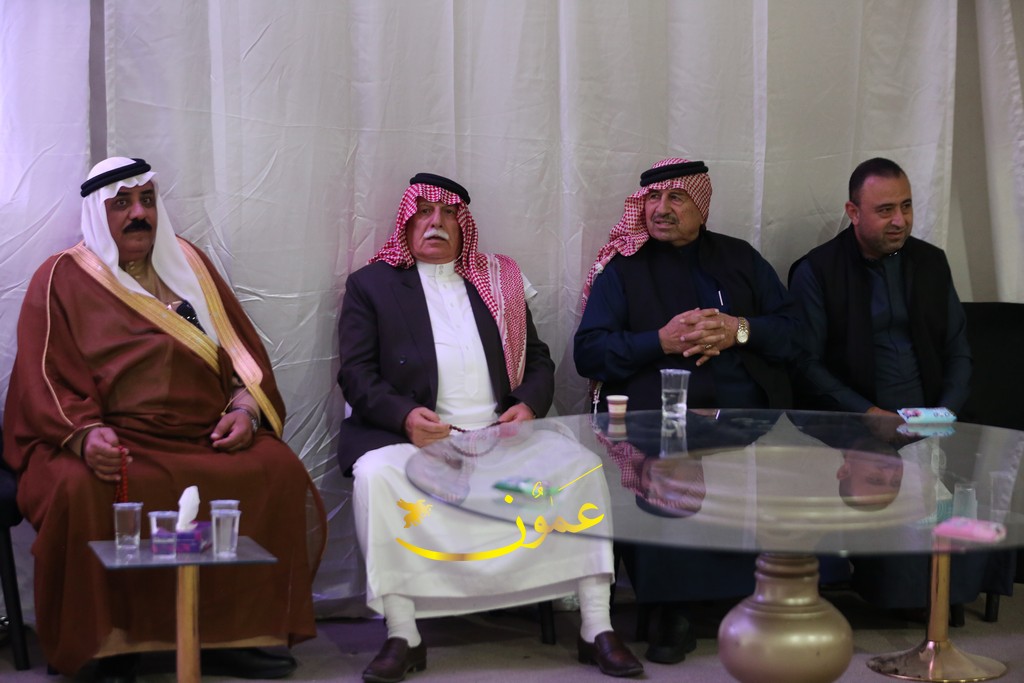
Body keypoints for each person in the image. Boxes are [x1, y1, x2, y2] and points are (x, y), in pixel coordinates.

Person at [3, 157, 326, 682]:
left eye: (148, 201)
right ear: (97, 213)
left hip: (202, 435)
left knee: (276, 470)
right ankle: (106, 644)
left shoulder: (189, 265)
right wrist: (84, 436)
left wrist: (246, 410)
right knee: (77, 489)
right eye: (123, 204)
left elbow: (243, 356)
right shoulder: (61, 276)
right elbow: (43, 376)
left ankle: (234, 636)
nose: (139, 215)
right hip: (114, 439)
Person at [338, 173, 643, 680]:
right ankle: (403, 634)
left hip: (501, 434)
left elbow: (538, 359)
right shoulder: (371, 285)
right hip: (414, 437)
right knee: (377, 476)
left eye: (449, 214)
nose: (436, 223)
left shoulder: (496, 281)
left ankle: (596, 626)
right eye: (425, 212)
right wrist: (404, 416)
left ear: (464, 225)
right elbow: (356, 373)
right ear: (406, 221)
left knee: (582, 467)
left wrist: (527, 404)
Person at [574, 158, 799, 664]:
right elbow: (588, 352)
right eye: (652, 199)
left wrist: (740, 330)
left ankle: (766, 599)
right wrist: (659, 340)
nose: (661, 209)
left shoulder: (740, 259)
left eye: (675, 198)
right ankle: (672, 612)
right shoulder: (624, 269)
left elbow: (795, 333)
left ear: (701, 204)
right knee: (663, 469)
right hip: (657, 419)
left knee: (782, 466)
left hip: (743, 417)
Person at [788, 157, 1003, 612]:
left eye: (906, 206)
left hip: (931, 414)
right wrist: (868, 414)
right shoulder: (817, 270)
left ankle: (949, 595)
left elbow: (958, 349)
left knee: (977, 463)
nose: (900, 220)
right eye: (885, 210)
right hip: (856, 418)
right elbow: (805, 363)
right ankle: (898, 593)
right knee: (879, 478)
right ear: (853, 212)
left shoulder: (930, 262)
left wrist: (945, 412)